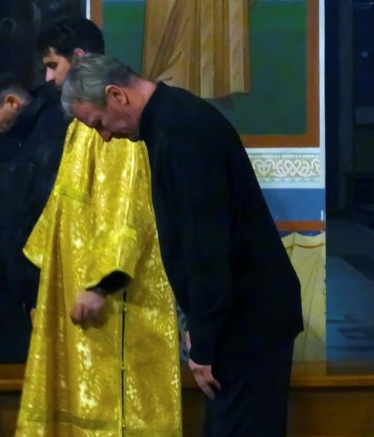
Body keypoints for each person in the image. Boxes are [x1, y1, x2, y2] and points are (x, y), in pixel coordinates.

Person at [61, 53, 304, 436]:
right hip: (239, 316)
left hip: (248, 320)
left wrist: (204, 340)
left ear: (116, 95)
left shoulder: (181, 133)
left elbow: (206, 245)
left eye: (99, 123)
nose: (105, 136)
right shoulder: (171, 119)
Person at [15, 17, 182, 435]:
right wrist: (45, 279)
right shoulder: (79, 123)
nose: (48, 77)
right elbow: (65, 205)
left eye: (52, 66)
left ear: (79, 58)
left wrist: (101, 283)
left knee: (118, 407)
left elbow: (128, 210)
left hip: (113, 295)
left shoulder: (114, 125)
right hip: (73, 283)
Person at [0, 70, 68, 318]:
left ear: (12, 102)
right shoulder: (29, 134)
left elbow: (41, 213)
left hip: (47, 279)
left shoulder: (49, 134)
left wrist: (34, 289)